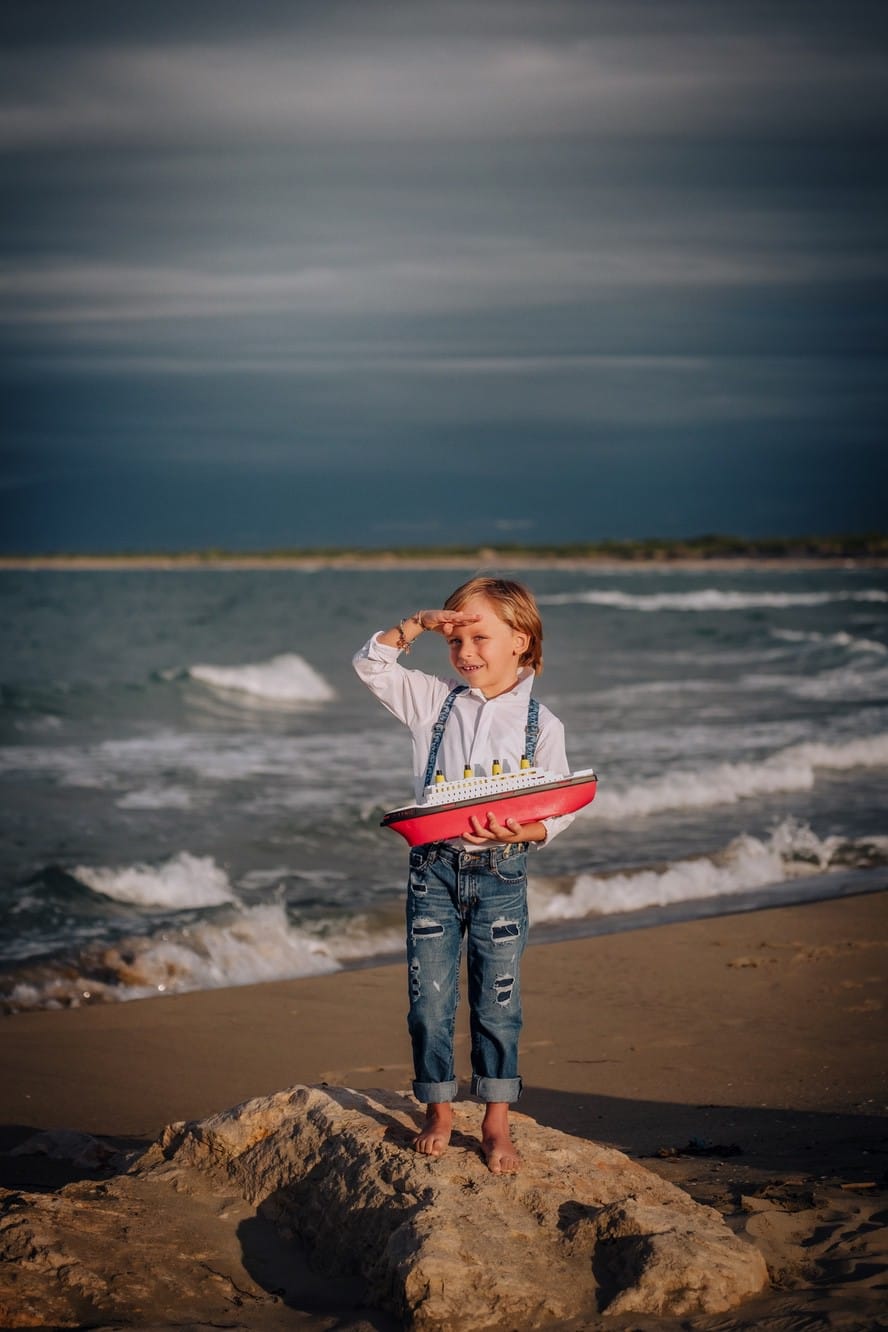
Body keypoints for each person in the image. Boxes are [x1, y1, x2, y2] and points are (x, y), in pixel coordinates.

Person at [353, 576, 575, 1174]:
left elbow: (559, 805)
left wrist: (527, 833)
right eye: (456, 641)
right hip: (433, 873)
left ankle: (496, 1120)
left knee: (497, 1004)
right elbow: (371, 664)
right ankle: (439, 1108)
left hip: (502, 875)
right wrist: (420, 624)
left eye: (479, 637)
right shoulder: (433, 702)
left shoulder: (541, 724)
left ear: (521, 642)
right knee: (428, 1002)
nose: (466, 652)